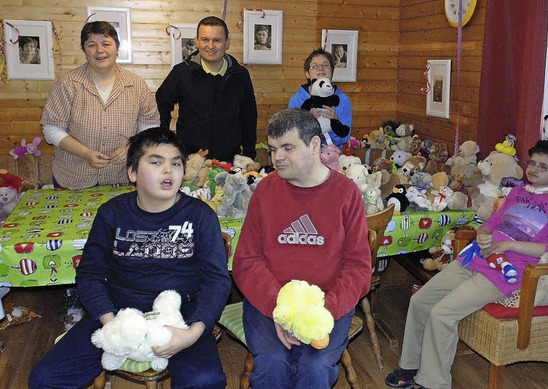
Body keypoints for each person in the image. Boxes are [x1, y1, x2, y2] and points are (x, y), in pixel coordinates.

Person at [29, 127, 231, 389]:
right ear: (133, 173)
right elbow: (90, 275)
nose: (168, 170)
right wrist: (111, 324)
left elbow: (217, 281)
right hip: (118, 309)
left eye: (176, 163)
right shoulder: (111, 213)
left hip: (182, 313)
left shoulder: (201, 216)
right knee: (45, 379)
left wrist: (193, 333)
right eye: (156, 162)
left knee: (205, 381)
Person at [385, 139, 548, 389]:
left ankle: (432, 382)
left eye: (542, 166)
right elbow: (493, 222)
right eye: (532, 162)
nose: (533, 169)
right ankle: (412, 364)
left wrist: (507, 246)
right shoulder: (519, 192)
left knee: (441, 314)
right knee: (420, 300)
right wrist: (483, 235)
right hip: (478, 256)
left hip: (507, 272)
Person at [232, 108, 371, 387]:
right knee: (272, 364)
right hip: (270, 301)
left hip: (327, 303)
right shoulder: (266, 191)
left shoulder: (346, 194)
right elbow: (246, 260)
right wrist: (278, 310)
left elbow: (358, 267)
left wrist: (323, 314)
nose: (276, 157)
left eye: (287, 147)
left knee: (315, 368)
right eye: (272, 149)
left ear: (315, 145)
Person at [41, 21, 160, 189]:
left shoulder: (137, 85)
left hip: (122, 178)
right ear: (84, 50)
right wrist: (86, 154)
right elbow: (51, 129)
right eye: (91, 45)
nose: (100, 50)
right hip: (73, 177)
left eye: (106, 44)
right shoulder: (68, 84)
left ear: (117, 49)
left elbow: (150, 125)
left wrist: (130, 148)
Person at [156, 16, 258, 162]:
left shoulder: (240, 75)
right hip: (190, 161)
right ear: (197, 41)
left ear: (227, 43)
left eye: (217, 40)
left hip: (229, 160)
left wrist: (248, 155)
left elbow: (249, 117)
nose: (210, 46)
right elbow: (160, 104)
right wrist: (165, 140)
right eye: (205, 40)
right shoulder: (181, 73)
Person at [288, 48, 352, 150]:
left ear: (332, 71)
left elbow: (344, 137)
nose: (321, 69)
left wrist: (335, 122)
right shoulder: (296, 100)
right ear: (307, 74)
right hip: (304, 154)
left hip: (333, 155)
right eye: (315, 66)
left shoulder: (342, 100)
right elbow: (291, 135)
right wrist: (306, 120)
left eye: (325, 65)